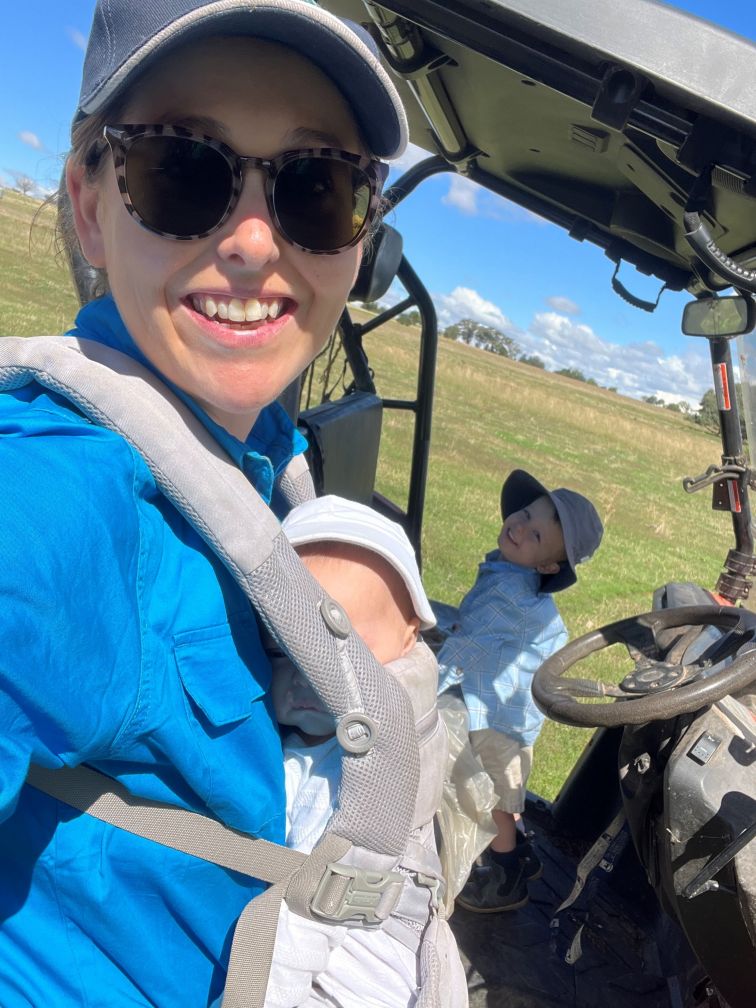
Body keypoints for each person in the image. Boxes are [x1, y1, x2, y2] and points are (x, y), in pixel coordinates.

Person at [0, 3, 408, 1005]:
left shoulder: (258, 441)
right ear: (91, 206)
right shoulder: (56, 494)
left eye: (318, 187)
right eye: (182, 169)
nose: (256, 243)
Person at [264, 494, 437, 1008]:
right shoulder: (312, 737)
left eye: (349, 656)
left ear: (411, 636)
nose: (309, 679)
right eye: (281, 649)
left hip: (346, 972)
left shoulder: (359, 774)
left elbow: (304, 926)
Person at [437, 468, 603, 913]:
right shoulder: (509, 572)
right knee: (506, 795)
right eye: (526, 514)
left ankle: (504, 875)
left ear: (548, 565)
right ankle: (522, 855)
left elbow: (466, 650)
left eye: (535, 534)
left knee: (493, 798)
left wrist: (423, 679)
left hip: (497, 718)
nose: (519, 526)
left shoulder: (509, 593)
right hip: (512, 706)